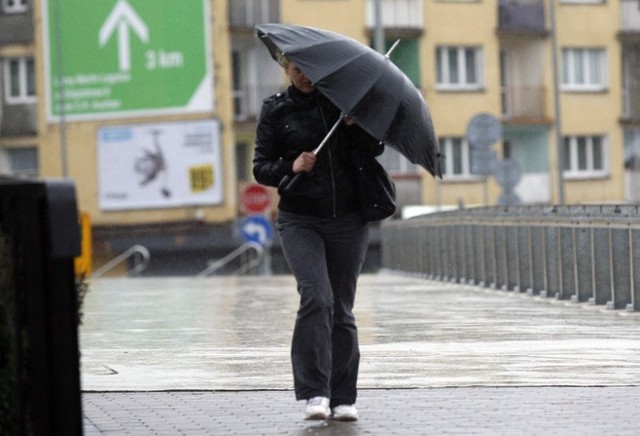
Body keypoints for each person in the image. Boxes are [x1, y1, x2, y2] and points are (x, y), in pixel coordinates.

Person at [253, 56, 383, 421]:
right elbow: (261, 167)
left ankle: (343, 397)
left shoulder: (343, 104)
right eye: (297, 70)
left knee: (341, 307)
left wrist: (357, 127)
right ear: (286, 71)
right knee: (316, 298)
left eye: (311, 69)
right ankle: (315, 393)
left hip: (349, 220)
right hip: (300, 219)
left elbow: (374, 150)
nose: (305, 75)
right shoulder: (276, 110)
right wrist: (290, 166)